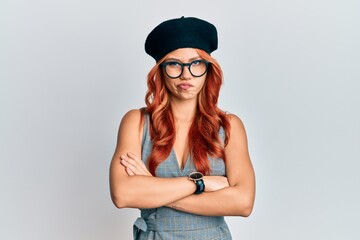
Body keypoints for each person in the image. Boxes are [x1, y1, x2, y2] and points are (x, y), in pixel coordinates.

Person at [109, 16, 256, 240]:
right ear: (161, 70)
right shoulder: (137, 122)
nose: (186, 74)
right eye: (174, 64)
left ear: (208, 69)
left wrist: (153, 190)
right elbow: (123, 194)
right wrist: (201, 183)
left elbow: (243, 203)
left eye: (196, 63)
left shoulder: (229, 126)